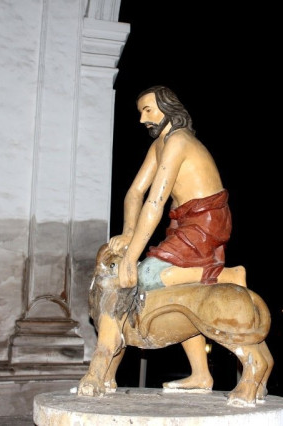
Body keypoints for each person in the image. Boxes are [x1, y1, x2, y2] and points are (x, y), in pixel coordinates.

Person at [108, 85, 246, 392]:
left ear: (167, 107)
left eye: (148, 110)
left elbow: (155, 202)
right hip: (185, 221)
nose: (142, 119)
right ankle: (201, 375)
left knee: (148, 274)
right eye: (140, 112)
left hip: (206, 221)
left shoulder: (179, 140)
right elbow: (135, 193)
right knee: (181, 291)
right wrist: (128, 233)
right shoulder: (160, 143)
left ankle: (228, 275)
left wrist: (131, 258)